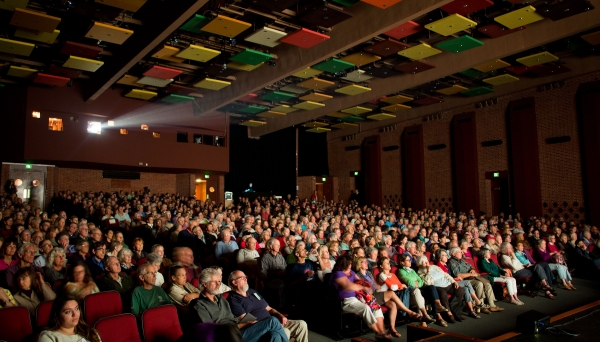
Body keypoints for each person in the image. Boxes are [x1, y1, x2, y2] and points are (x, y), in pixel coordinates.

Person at [189, 267, 289, 342]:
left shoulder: (221, 299)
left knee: (274, 334)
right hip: (227, 336)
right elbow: (211, 330)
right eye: (214, 282)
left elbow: (233, 320)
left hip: (239, 330)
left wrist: (247, 323)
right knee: (272, 321)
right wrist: (244, 324)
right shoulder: (199, 304)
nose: (218, 284)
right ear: (204, 284)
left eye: (219, 281)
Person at [228, 270, 309, 342]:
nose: (246, 279)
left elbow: (269, 308)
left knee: (302, 324)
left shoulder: (252, 292)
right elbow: (245, 320)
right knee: (281, 331)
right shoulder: (234, 299)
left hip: (273, 321)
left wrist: (280, 316)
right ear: (234, 282)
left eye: (245, 277)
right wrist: (272, 324)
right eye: (242, 278)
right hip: (263, 327)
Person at [329, 255, 390, 341]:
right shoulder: (338, 274)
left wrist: (366, 285)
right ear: (344, 264)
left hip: (357, 299)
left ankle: (382, 331)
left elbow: (361, 281)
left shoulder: (352, 273)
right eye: (349, 263)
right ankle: (378, 332)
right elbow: (348, 286)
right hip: (346, 302)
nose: (351, 265)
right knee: (365, 308)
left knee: (376, 306)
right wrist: (363, 287)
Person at [356, 257, 423, 333]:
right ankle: (409, 312)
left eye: (366, 261)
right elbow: (363, 288)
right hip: (369, 297)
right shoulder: (358, 275)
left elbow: (374, 285)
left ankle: (392, 328)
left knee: (393, 304)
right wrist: (374, 286)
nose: (366, 263)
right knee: (391, 293)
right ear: (359, 265)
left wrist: (375, 286)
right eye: (364, 262)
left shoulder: (369, 273)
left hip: (376, 293)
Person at [397, 254, 450, 327]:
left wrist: (416, 283)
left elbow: (421, 281)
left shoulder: (412, 270)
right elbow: (410, 283)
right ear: (402, 262)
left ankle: (438, 306)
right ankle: (435, 317)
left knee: (432, 288)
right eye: (408, 260)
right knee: (419, 292)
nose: (410, 261)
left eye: (410, 260)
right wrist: (416, 282)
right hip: (411, 292)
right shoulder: (401, 271)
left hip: (419, 288)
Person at [447, 247, 503, 312]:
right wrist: (470, 274)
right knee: (479, 284)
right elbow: (458, 275)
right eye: (459, 252)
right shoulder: (452, 262)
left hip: (472, 277)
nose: (462, 253)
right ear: (453, 254)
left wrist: (472, 270)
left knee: (487, 283)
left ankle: (491, 305)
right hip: (463, 280)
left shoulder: (461, 260)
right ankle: (480, 305)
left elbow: (471, 266)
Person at [436, 249, 487, 316]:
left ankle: (471, 311)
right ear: (440, 257)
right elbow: (444, 278)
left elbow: (450, 276)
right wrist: (455, 279)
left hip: (453, 281)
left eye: (446, 255)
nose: (446, 257)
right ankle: (477, 301)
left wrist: (471, 270)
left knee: (466, 289)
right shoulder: (439, 266)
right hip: (447, 284)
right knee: (467, 283)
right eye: (444, 255)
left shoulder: (445, 265)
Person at [416, 256, 465, 322]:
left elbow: (445, 274)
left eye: (426, 260)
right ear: (420, 264)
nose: (426, 262)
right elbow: (427, 283)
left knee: (460, 291)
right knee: (443, 295)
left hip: (448, 284)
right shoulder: (420, 272)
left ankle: (456, 312)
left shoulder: (434, 267)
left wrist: (454, 281)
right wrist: (428, 271)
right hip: (438, 287)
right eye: (424, 262)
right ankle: (449, 313)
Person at [259, 238, 287, 309]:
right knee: (281, 285)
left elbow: (285, 268)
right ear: (271, 246)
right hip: (271, 280)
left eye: (279, 245)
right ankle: (281, 307)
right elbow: (263, 273)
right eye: (277, 245)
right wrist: (276, 274)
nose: (279, 247)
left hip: (282, 278)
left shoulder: (280, 257)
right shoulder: (265, 258)